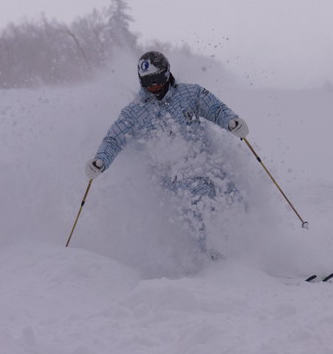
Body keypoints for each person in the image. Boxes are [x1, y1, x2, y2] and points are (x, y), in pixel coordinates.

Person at [85, 51, 249, 256]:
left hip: (206, 160)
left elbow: (215, 109)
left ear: (166, 74)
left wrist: (231, 122)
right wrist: (101, 160)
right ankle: (209, 254)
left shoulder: (190, 94)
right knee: (198, 201)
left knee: (233, 193)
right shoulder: (135, 112)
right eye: (147, 82)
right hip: (173, 176)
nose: (153, 86)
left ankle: (249, 241)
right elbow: (114, 139)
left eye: (156, 79)